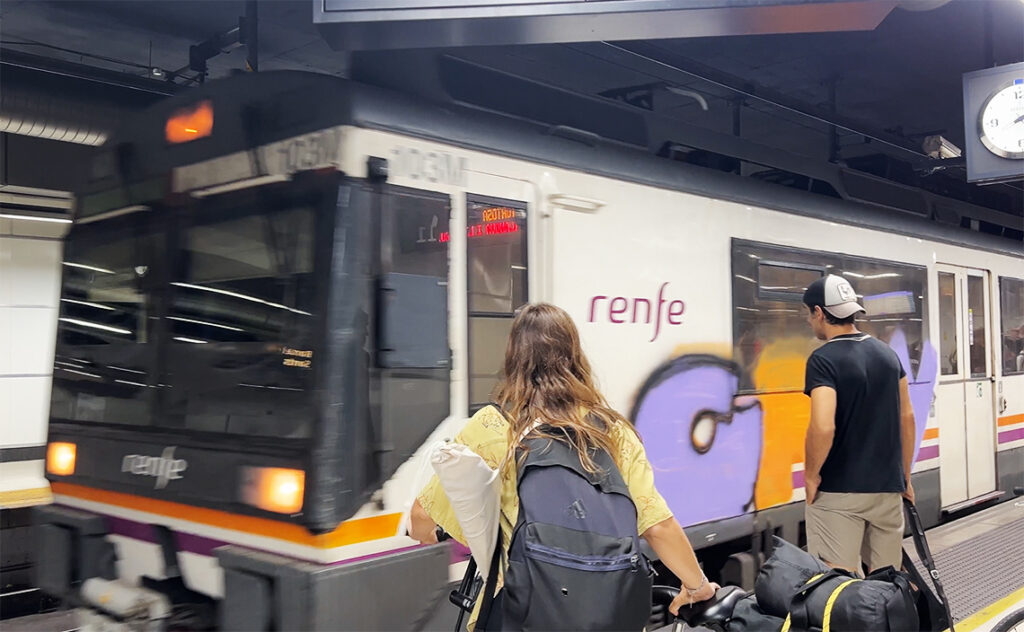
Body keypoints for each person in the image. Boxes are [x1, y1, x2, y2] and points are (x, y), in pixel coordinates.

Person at [409, 303, 716, 630]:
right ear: (575, 356)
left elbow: (420, 521)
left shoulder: (491, 427)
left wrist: (460, 530)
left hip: (521, 614)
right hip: (610, 614)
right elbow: (657, 527)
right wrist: (697, 587)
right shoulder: (613, 433)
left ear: (513, 359)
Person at [801, 275, 916, 574]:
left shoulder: (822, 360)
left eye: (809, 315)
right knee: (887, 584)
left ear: (819, 312)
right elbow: (907, 418)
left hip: (839, 492)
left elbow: (823, 426)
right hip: (887, 490)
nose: (810, 322)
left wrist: (811, 475)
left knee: (838, 585)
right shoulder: (888, 354)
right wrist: (904, 477)